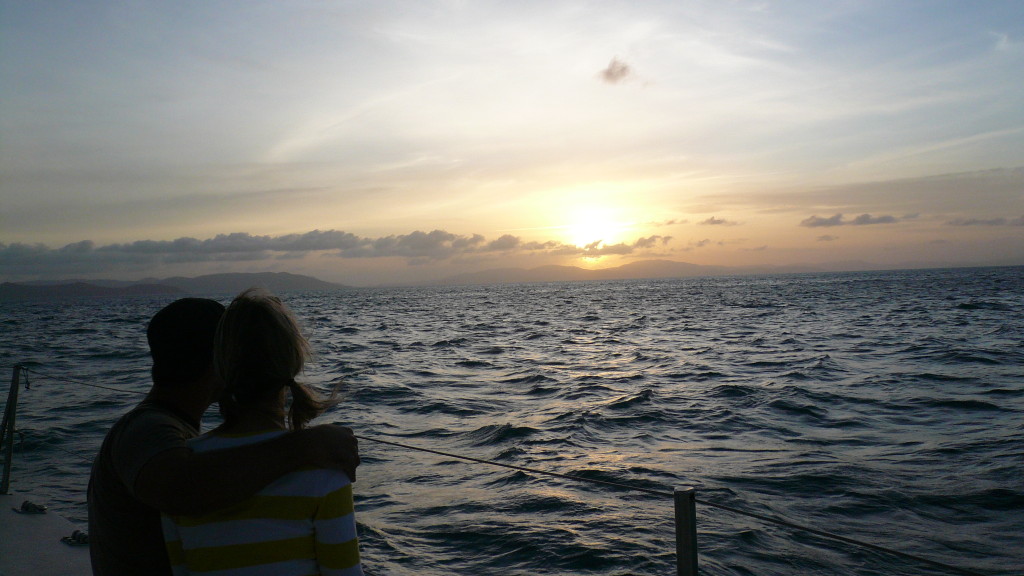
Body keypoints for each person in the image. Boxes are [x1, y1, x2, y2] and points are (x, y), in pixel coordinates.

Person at [88, 297, 360, 576]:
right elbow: (181, 491)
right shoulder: (147, 428)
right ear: (219, 361)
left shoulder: (182, 439)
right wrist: (305, 446)